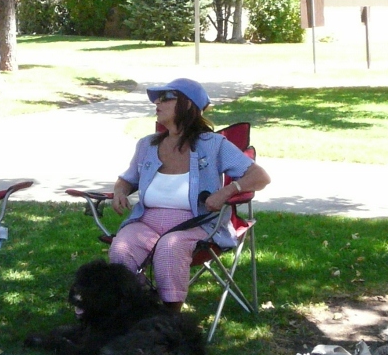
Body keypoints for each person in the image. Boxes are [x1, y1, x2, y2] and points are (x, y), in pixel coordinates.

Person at [109, 78, 270, 309]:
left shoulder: (213, 144)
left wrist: (227, 191)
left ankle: (170, 319)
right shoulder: (147, 145)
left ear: (187, 104)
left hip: (196, 224)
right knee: (121, 249)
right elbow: (126, 180)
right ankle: (139, 306)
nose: (158, 102)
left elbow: (260, 177)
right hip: (145, 222)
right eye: (158, 99)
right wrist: (119, 191)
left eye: (166, 98)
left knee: (170, 247)